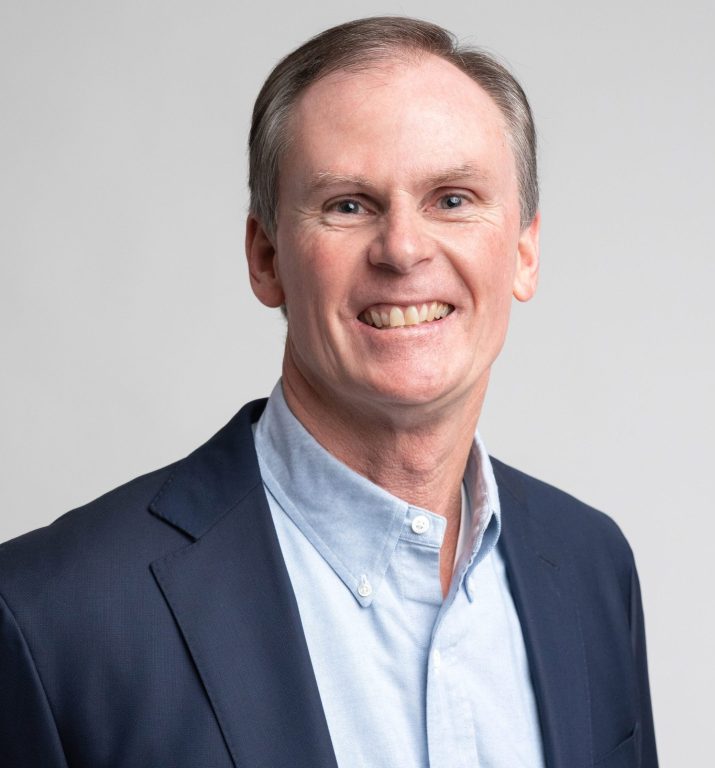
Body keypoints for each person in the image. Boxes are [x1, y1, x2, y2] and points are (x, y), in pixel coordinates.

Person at [0, 16, 657, 768]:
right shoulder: (49, 617)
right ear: (266, 257)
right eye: (348, 204)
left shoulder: (592, 568)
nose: (404, 249)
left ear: (525, 250)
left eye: (452, 198)